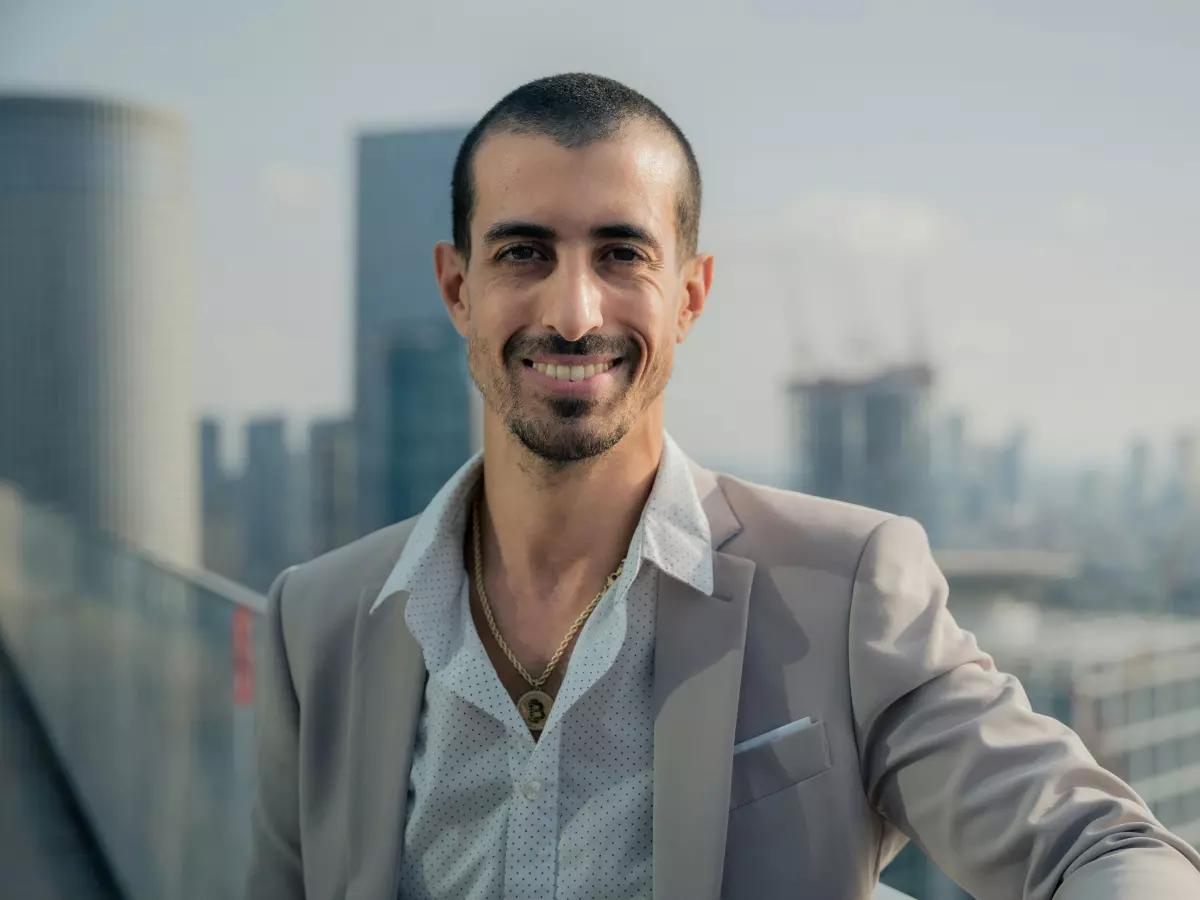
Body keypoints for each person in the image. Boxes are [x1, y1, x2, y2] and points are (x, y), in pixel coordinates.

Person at [244, 73, 1200, 900]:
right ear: (458, 288)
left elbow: (1097, 845)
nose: (574, 313)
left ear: (690, 296)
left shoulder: (848, 586)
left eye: (621, 255)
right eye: (523, 253)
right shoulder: (318, 620)